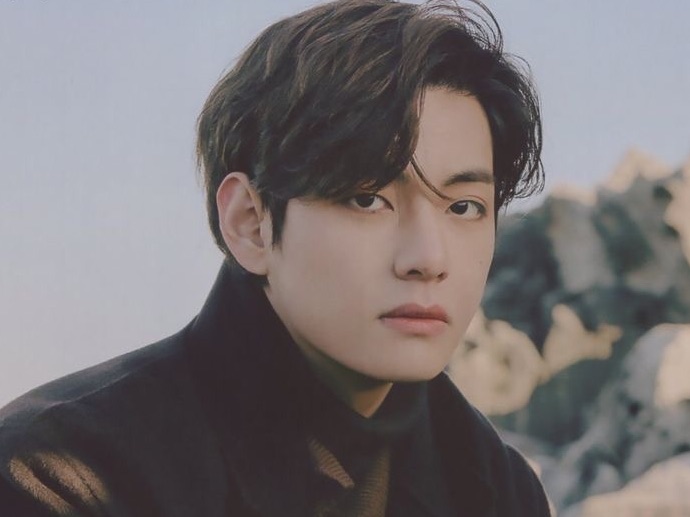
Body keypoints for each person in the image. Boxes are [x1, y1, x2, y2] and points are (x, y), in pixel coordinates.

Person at [0, 0, 549, 515]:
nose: (429, 258)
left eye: (463, 207)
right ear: (250, 222)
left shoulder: (494, 485)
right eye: (367, 199)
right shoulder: (62, 474)